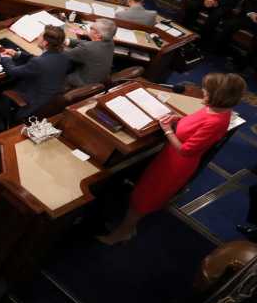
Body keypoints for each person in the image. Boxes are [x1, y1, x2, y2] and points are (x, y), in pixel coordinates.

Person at [99, 72, 246, 244]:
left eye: (207, 91)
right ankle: (129, 227)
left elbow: (185, 150)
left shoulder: (216, 121)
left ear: (218, 97)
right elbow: (196, 121)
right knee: (142, 191)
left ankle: (123, 232)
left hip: (175, 165)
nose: (202, 92)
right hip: (168, 158)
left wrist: (168, 129)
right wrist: (179, 119)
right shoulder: (215, 108)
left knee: (143, 199)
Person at [0, 25, 71, 123]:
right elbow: (38, 59)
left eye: (40, 36)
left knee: (1, 87)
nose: (37, 38)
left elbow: (12, 71)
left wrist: (5, 57)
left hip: (32, 105)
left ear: (45, 43)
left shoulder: (39, 63)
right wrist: (17, 54)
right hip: (49, 100)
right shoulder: (64, 56)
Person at [63, 18, 117, 88]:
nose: (88, 29)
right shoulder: (110, 42)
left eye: (92, 28)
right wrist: (68, 41)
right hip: (97, 80)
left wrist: (52, 43)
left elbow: (63, 55)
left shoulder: (87, 48)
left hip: (81, 84)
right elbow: (89, 44)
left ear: (98, 35)